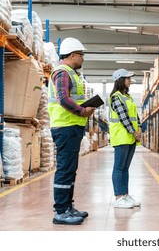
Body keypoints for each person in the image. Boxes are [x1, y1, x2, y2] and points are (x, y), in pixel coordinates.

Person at [48, 37, 95, 225]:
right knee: (65, 169)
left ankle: (67, 206)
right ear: (73, 55)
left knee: (70, 169)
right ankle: (60, 211)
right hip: (65, 127)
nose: (83, 59)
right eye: (81, 55)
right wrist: (84, 111)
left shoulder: (72, 73)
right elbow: (63, 99)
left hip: (72, 126)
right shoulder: (63, 72)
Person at [108, 69, 142, 209]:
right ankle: (118, 197)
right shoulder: (116, 97)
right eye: (128, 78)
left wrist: (139, 128)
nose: (130, 80)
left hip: (131, 137)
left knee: (125, 168)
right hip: (122, 136)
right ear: (120, 80)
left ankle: (125, 194)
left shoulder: (127, 97)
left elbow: (135, 115)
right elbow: (123, 117)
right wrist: (134, 132)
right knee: (119, 167)